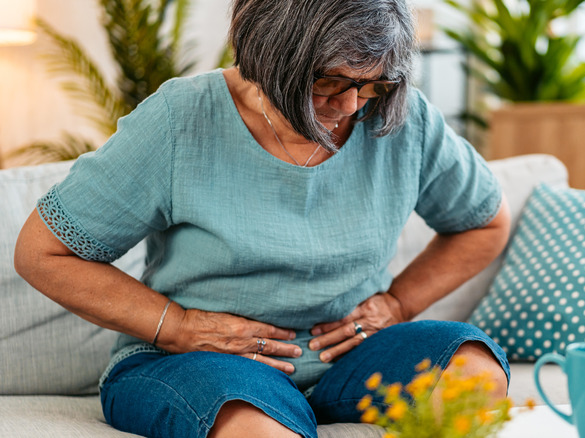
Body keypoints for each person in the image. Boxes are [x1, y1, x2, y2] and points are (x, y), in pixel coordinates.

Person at [14, 0, 512, 437]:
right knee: (255, 427)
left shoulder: (400, 117)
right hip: (199, 365)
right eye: (329, 82)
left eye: (373, 85)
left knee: (476, 371)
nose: (351, 106)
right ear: (272, 57)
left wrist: (400, 303)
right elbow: (43, 252)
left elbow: (484, 220)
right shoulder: (180, 119)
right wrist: (181, 326)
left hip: (351, 360)